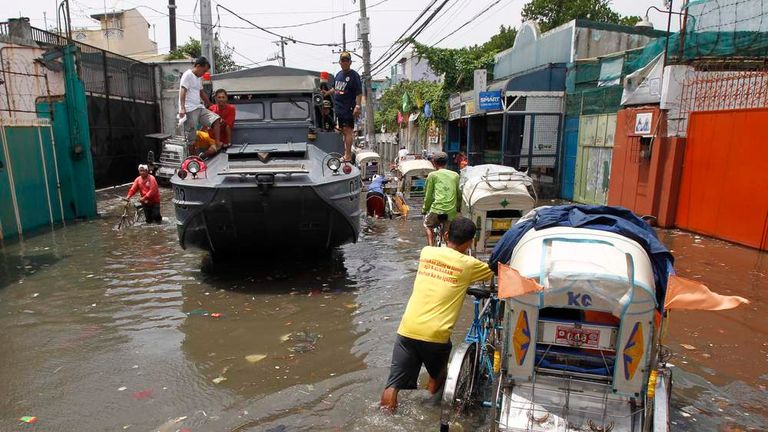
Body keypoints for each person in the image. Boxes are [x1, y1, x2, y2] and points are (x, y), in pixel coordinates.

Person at [380, 217, 494, 413]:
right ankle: (428, 409)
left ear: (446, 235)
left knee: (393, 385)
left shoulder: (427, 252)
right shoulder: (469, 264)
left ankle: (384, 417)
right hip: (436, 335)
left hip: (407, 328)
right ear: (470, 242)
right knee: (439, 376)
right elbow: (494, 270)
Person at [322, 51, 362, 162]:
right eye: (342, 60)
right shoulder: (338, 74)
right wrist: (326, 93)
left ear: (350, 62)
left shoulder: (354, 75)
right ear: (340, 62)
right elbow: (335, 88)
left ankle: (348, 155)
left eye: (346, 60)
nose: (344, 62)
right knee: (342, 131)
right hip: (339, 108)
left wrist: (357, 106)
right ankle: (344, 152)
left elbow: (359, 93)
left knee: (348, 130)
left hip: (348, 108)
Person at [179, 57, 222, 158]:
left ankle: (217, 143)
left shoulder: (199, 78)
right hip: (189, 109)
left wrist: (210, 103)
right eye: (204, 70)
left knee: (216, 119)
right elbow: (183, 90)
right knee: (191, 135)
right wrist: (182, 108)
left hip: (199, 107)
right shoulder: (188, 75)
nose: (204, 73)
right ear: (198, 66)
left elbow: (201, 92)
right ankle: (193, 158)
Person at [422, 151, 461, 246]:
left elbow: (428, 196)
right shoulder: (455, 175)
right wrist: (458, 208)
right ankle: (448, 248)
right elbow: (458, 194)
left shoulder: (432, 175)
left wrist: (425, 209)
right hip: (451, 210)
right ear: (446, 162)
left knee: (428, 225)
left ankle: (430, 247)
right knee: (448, 233)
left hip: (437, 209)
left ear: (434, 163)